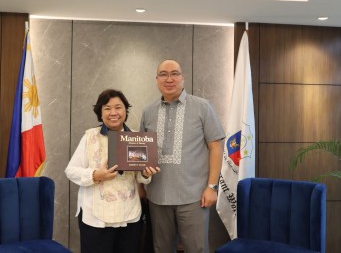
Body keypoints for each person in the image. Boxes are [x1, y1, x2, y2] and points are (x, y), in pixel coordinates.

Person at [140, 59, 225, 253]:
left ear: (182, 78)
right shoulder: (148, 112)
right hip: (157, 196)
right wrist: (140, 187)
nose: (169, 79)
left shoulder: (203, 107)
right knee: (161, 249)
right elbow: (141, 153)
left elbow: (216, 147)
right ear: (156, 80)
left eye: (174, 74)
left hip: (194, 196)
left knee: (196, 248)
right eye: (163, 74)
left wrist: (212, 187)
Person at [65, 89, 160, 253]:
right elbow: (71, 171)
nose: (113, 112)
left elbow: (140, 176)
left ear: (126, 110)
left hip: (129, 214)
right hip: (95, 217)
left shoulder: (137, 138)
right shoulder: (90, 137)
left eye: (118, 107)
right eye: (107, 108)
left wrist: (146, 174)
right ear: (100, 113)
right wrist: (95, 175)